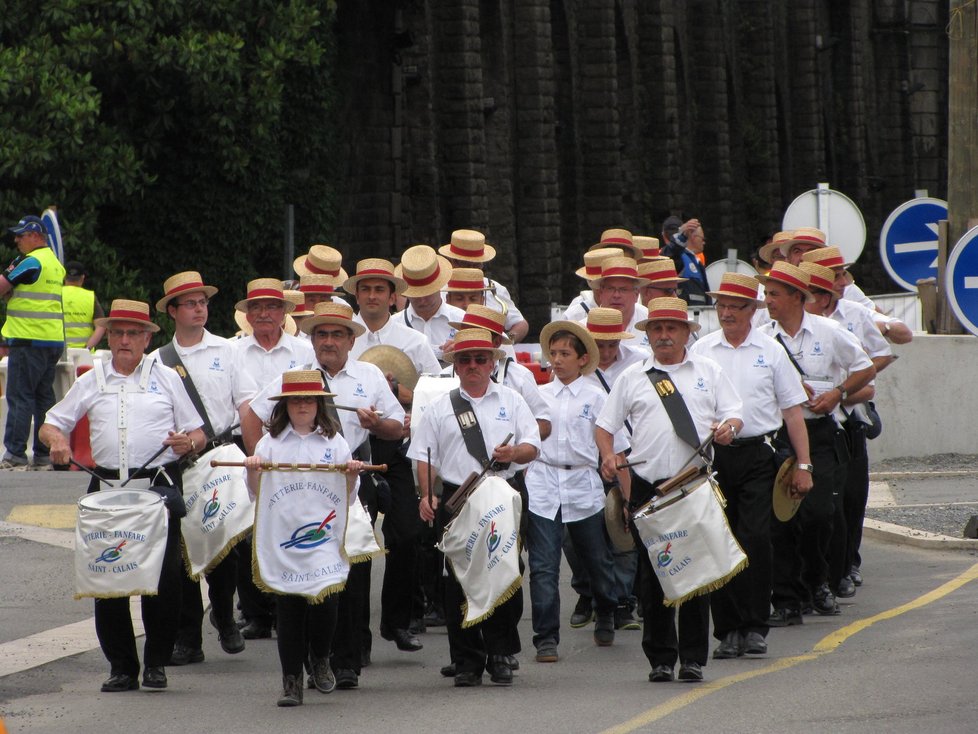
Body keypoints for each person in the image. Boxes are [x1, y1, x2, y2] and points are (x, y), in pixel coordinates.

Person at [39, 299, 206, 692]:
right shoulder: (91, 380)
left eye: (134, 333)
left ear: (148, 338)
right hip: (108, 488)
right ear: (109, 337)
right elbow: (51, 423)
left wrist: (187, 443)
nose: (125, 340)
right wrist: (58, 440)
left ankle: (156, 664)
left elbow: (198, 431)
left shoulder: (167, 377)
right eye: (118, 333)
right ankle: (121, 667)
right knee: (107, 576)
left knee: (163, 578)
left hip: (157, 486)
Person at [244, 301, 407, 688]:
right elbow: (251, 412)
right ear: (313, 339)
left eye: (337, 334)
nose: (329, 341)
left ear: (352, 340)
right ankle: (305, 662)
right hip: (293, 492)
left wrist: (377, 423)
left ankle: (346, 659)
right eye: (321, 334)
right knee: (301, 576)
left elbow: (398, 425)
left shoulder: (369, 374)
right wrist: (263, 460)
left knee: (352, 574)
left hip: (349, 478)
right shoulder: (297, 376)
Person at [595, 297, 743, 683]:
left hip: (694, 483)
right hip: (649, 487)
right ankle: (661, 658)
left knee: (697, 571)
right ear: (648, 335)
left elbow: (733, 412)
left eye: (670, 328)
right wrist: (609, 455)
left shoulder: (708, 370)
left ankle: (692, 658)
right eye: (656, 329)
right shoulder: (632, 377)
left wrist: (729, 428)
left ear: (685, 333)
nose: (663, 335)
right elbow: (604, 425)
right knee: (654, 573)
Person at [688, 273, 812, 659]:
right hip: (716, 456)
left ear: (751, 311)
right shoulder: (702, 350)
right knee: (718, 539)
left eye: (735, 306)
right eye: (721, 306)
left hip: (759, 453)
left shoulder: (771, 350)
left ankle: (756, 625)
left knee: (756, 537)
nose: (726, 313)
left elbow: (792, 411)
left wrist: (804, 464)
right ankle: (728, 630)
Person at [410, 328, 541, 687]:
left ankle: (501, 652)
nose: (473, 365)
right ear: (455, 366)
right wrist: (426, 494)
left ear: (492, 363)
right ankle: (466, 659)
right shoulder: (440, 408)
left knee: (506, 570)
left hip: (502, 493)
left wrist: (514, 454)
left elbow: (532, 445)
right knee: (458, 581)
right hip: (458, 498)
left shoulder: (513, 401)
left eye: (480, 359)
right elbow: (424, 456)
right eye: (465, 360)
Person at [757, 262, 875, 624]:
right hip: (778, 436)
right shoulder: (762, 337)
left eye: (774, 294)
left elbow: (866, 367)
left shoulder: (829, 331)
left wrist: (838, 394)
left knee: (819, 513)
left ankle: (817, 579)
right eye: (766, 293)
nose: (768, 300)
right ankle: (789, 599)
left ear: (797, 297)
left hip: (821, 432)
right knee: (780, 520)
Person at [244, 370, 363, 706]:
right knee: (290, 609)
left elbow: (349, 496)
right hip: (283, 539)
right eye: (296, 399)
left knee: (326, 601)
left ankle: (321, 657)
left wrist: (351, 476)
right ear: (285, 404)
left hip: (323, 537)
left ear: (318, 404)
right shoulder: (269, 444)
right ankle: (291, 681)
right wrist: (253, 468)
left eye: (308, 399)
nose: (302, 406)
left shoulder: (335, 442)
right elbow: (255, 495)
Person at [152, 271, 250, 666]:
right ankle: (188, 638)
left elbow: (244, 405)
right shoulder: (157, 360)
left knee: (223, 538)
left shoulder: (228, 350)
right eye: (190, 303)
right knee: (181, 550)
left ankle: (224, 615)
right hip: (177, 463)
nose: (199, 309)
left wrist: (254, 457)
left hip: (220, 455)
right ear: (173, 311)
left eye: (203, 302)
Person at [525, 320, 626, 663]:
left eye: (565, 353)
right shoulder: (538, 396)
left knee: (597, 560)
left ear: (582, 359)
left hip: (583, 484)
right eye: (553, 353)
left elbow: (617, 445)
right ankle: (545, 637)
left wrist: (624, 494)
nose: (557, 360)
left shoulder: (598, 397)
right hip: (544, 483)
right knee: (543, 565)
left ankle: (607, 609)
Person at [233, 278, 315, 639]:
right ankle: (254, 613)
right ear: (246, 314)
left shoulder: (304, 351)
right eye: (256, 307)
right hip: (244, 445)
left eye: (271, 307)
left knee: (290, 523)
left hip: (295, 443)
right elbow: (241, 407)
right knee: (247, 529)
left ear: (285, 312)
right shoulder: (231, 351)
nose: (264, 314)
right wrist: (255, 456)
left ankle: (289, 608)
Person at [1, 215, 66, 471]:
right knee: (43, 399)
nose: (16, 240)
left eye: (21, 235)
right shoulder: (55, 264)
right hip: (51, 340)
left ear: (36, 236)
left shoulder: (30, 262)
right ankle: (42, 454)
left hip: (28, 339)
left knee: (20, 396)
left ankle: (15, 454)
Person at [438, 230, 530, 343]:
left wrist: (504, 341)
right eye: (466, 264)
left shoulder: (495, 288)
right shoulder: (437, 289)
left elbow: (520, 324)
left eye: (476, 264)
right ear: (452, 262)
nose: (471, 269)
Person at [394, 245, 463, 362]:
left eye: (427, 293)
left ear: (439, 286)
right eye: (416, 294)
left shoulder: (463, 321)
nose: (422, 300)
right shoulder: (393, 325)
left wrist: (464, 353)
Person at [661, 218, 710, 305]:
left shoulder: (696, 261)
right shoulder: (679, 257)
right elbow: (669, 254)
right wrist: (682, 236)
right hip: (683, 312)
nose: (704, 242)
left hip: (701, 315)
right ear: (692, 237)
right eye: (702, 239)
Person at [62, 261, 106, 350]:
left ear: (63, 277)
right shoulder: (90, 297)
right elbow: (101, 326)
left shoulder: (55, 295)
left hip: (58, 352)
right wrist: (87, 348)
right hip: (84, 356)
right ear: (82, 278)